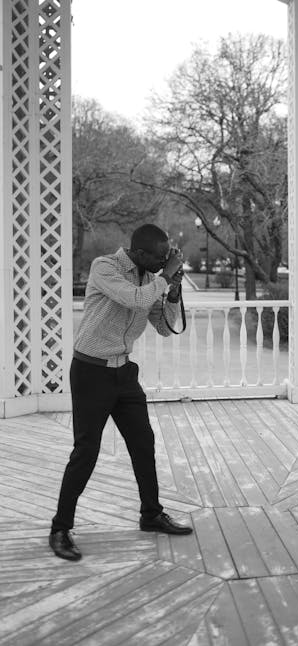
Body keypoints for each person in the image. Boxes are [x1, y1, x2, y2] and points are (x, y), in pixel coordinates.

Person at [49, 224, 192, 561]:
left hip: (124, 373)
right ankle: (59, 528)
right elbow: (133, 298)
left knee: (144, 443)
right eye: (159, 256)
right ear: (139, 252)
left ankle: (151, 514)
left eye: (167, 256)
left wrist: (172, 291)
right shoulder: (105, 268)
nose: (164, 260)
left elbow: (163, 326)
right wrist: (165, 276)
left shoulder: (150, 277)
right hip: (90, 371)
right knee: (86, 451)